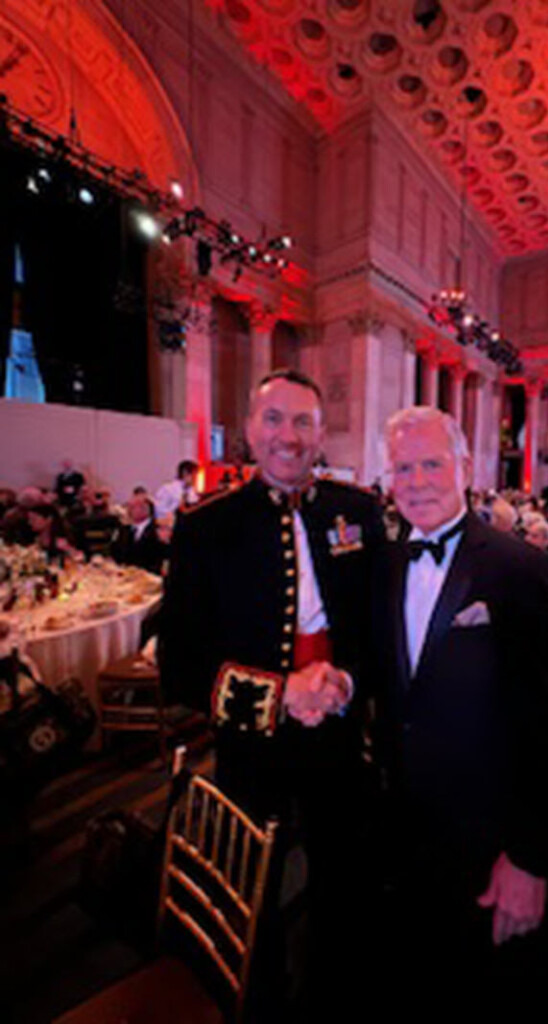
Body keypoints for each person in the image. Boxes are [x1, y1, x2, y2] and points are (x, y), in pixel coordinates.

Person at [158, 368, 386, 1015]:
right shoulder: (206, 527)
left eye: (304, 422)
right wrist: (279, 693)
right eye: (275, 420)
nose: (289, 436)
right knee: (248, 890)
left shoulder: (359, 512)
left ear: (321, 434)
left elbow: (378, 629)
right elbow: (179, 667)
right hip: (252, 748)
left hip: (341, 739)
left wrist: (345, 681)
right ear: (250, 431)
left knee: (346, 881)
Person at [375, 406, 548, 1012]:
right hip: (400, 834)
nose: (416, 481)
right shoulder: (384, 565)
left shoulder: (524, 568)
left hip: (490, 840)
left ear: (465, 467)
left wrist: (532, 858)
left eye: (431, 464)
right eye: (403, 468)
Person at [111, 494, 167, 575]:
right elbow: (116, 551)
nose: (129, 510)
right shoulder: (124, 530)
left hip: (150, 577)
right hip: (126, 577)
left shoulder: (158, 529)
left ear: (146, 508)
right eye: (129, 506)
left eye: (133, 507)